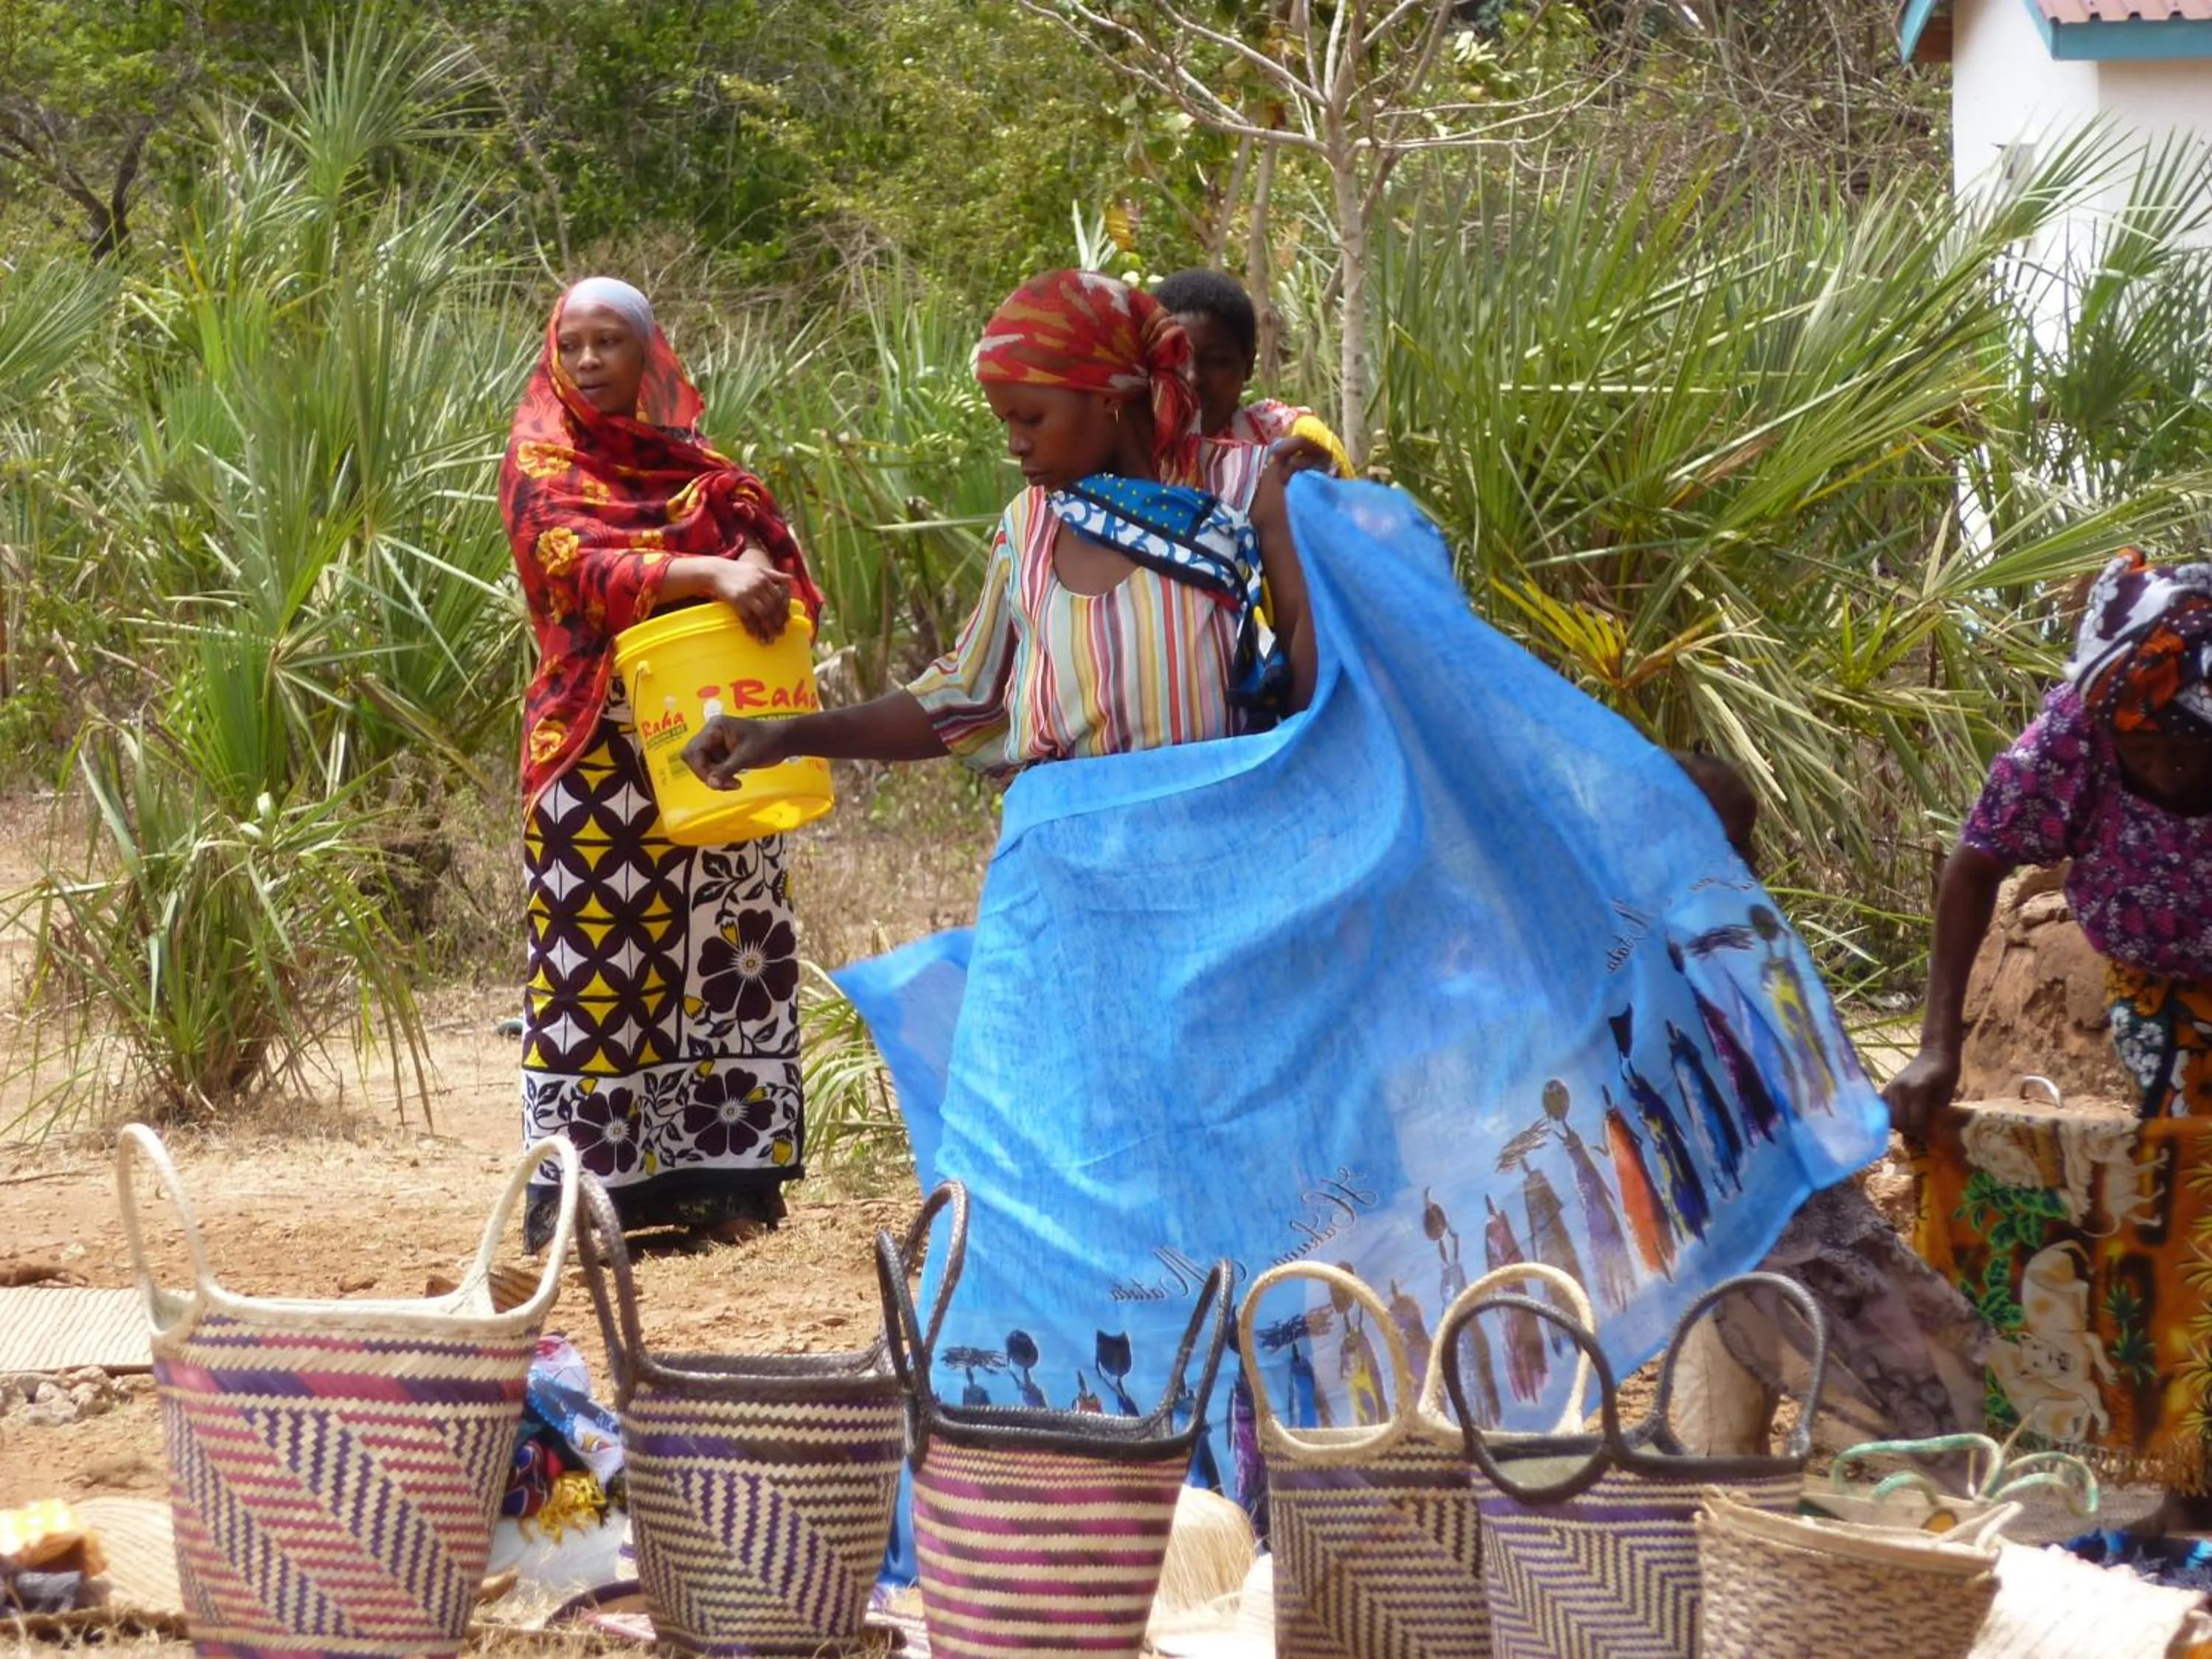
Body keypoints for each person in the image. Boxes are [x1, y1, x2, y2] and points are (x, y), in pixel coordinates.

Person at [681, 268, 1328, 787]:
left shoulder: (1247, 489)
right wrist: (788, 734)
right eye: (1007, 424)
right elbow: (965, 695)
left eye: (1032, 419)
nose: (1017, 445)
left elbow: (1319, 665)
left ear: (1108, 397)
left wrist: (1334, 533)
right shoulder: (1033, 525)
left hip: (1229, 841)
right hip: (1072, 860)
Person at [500, 276, 823, 1252]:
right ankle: (590, 1203)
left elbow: (787, 577)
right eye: (576, 344)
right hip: (591, 749)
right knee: (595, 968)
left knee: (723, 953)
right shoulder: (538, 458)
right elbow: (575, 568)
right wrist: (711, 570)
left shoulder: (701, 469)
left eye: (612, 343)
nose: (592, 361)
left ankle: (725, 1181)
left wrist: (757, 561)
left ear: (651, 358)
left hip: (714, 744)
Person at [1888, 548, 2212, 1514]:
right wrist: (1938, 1043)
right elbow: (1974, 865)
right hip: (2160, 986)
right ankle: (2186, 1450)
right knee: (2187, 1192)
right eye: (2138, 748)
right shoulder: (2079, 733)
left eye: (2174, 751)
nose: (2152, 763)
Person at [1153, 267, 1353, 475]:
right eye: (1175, 361)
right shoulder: (1129, 452)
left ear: (1247, 364)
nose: (1193, 379)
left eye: (1216, 361)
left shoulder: (1299, 447)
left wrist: (1325, 495)